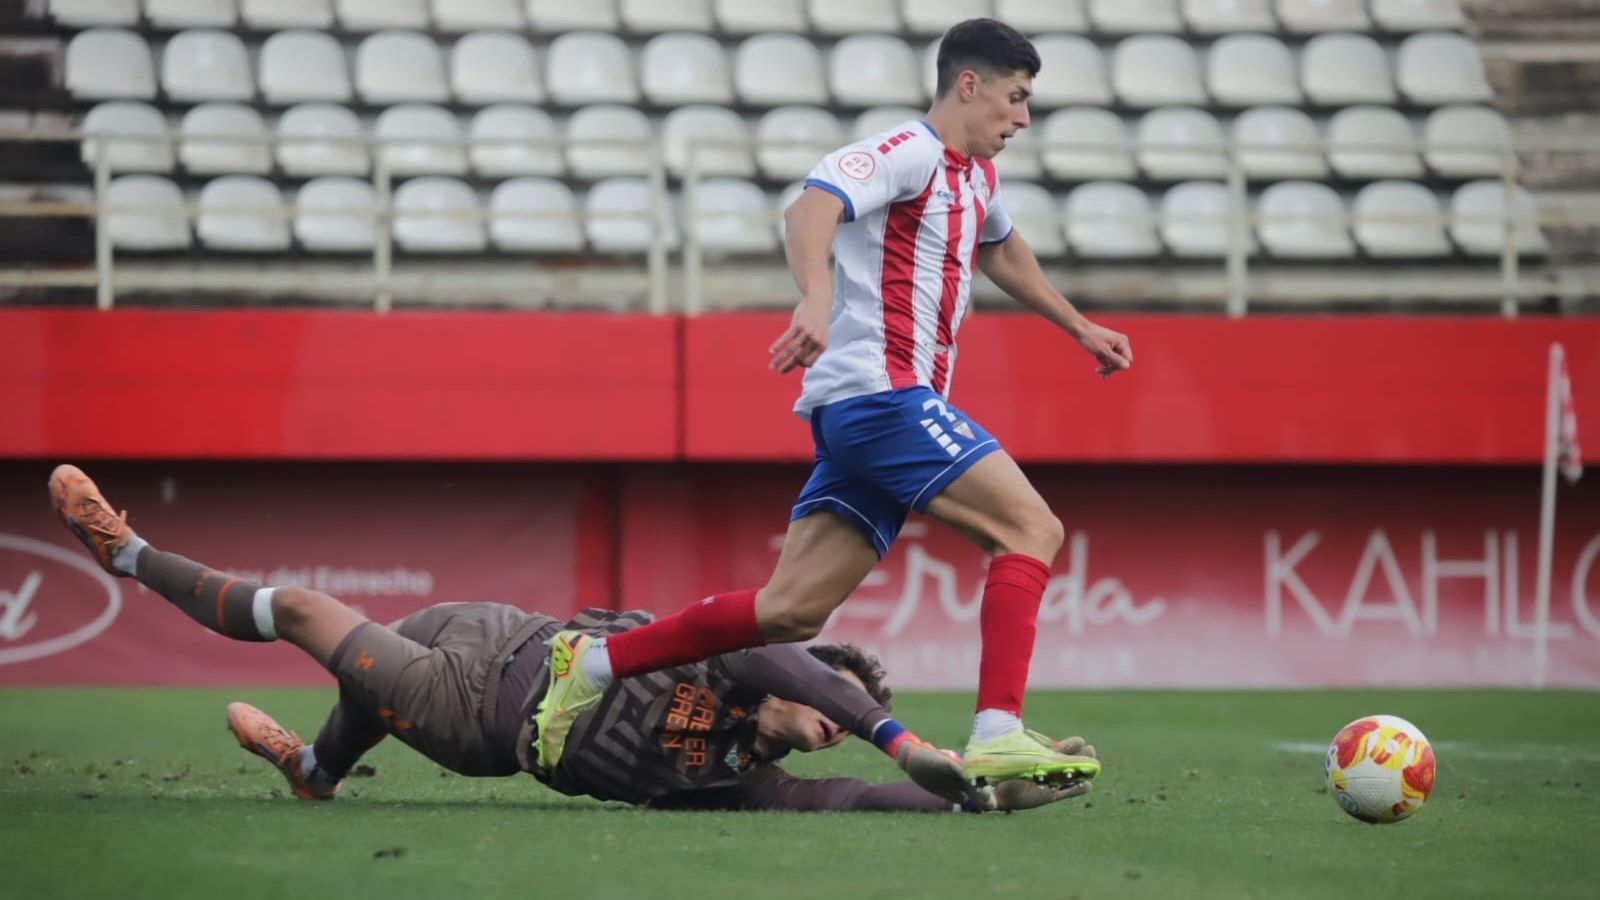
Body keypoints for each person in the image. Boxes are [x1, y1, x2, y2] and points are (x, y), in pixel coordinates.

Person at [537, 17, 1132, 787]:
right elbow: (810, 205)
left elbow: (1000, 246)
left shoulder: (977, 177)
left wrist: (1078, 324)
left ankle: (592, 662)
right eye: (1015, 99)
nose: (1022, 118)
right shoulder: (908, 151)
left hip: (869, 412)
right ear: (968, 85)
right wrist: (816, 297)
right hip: (882, 396)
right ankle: (997, 732)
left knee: (789, 613)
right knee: (1030, 528)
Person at [47, 464, 1094, 813]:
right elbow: (775, 649)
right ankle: (315, 770)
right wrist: (893, 729)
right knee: (363, 684)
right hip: (499, 627)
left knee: (317, 619)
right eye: (826, 704)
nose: (824, 728)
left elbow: (862, 799)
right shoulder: (735, 656)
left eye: (834, 721)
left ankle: (130, 555)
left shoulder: (744, 779)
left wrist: (982, 789)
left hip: (480, 721)